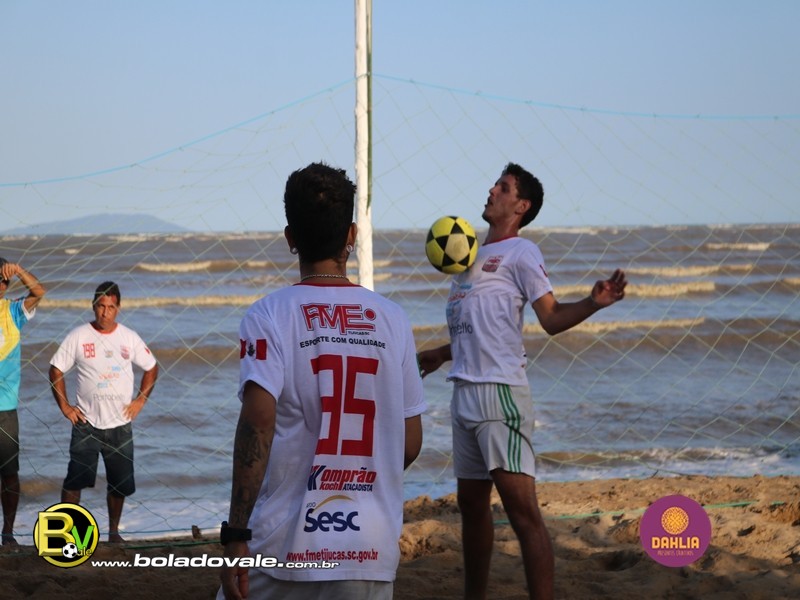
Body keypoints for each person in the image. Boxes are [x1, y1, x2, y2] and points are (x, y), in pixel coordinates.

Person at [417, 163, 627, 600]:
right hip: (463, 395)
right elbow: (481, 330)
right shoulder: (466, 257)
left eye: (504, 187)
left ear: (521, 206)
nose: (492, 190)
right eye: (496, 184)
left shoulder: (521, 253)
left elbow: (551, 318)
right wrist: (441, 353)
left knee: (522, 513)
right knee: (471, 506)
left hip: (500, 397)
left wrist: (593, 302)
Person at [219, 162, 425, 600]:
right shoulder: (393, 319)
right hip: (368, 550)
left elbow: (258, 422)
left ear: (290, 238)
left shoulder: (268, 315)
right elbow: (409, 443)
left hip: (283, 547)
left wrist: (236, 533)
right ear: (352, 235)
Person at [49, 281, 158, 543]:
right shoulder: (79, 336)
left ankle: (113, 533)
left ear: (118, 308)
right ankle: (64, 536)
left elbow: (151, 367)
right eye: (101, 306)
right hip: (86, 423)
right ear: (93, 306)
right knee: (75, 481)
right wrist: (65, 406)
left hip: (120, 424)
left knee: (119, 484)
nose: (105, 312)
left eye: (110, 307)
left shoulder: (128, 337)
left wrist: (140, 400)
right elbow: (55, 369)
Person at [0, 258, 45, 546]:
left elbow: (39, 292)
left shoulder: (13, 310)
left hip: (4, 408)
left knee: (8, 474)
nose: (1, 285)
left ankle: (8, 532)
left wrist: (17, 270)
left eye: (4, 281)